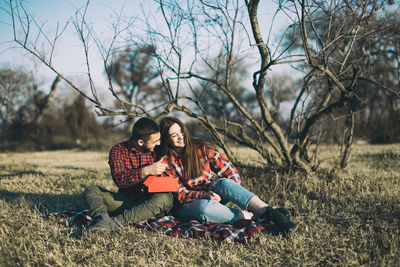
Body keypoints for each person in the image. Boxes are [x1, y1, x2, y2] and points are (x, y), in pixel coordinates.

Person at [157, 116, 297, 235]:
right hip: (189, 205)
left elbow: (229, 171)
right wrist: (203, 196)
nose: (180, 137)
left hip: (212, 194)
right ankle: (249, 216)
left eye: (181, 131)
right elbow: (179, 193)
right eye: (174, 135)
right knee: (204, 208)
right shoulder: (165, 161)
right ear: (166, 139)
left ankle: (270, 212)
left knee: (224, 182)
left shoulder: (200, 148)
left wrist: (235, 194)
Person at [83, 117, 174, 232]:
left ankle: (115, 222)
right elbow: (119, 180)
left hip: (150, 201)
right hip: (125, 200)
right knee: (92, 190)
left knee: (165, 198)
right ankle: (102, 219)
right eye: (155, 142)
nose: (159, 143)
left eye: (159, 140)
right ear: (141, 142)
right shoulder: (118, 150)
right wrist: (146, 171)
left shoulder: (159, 150)